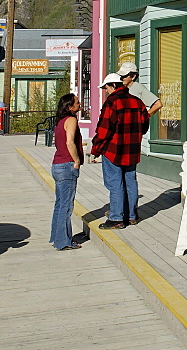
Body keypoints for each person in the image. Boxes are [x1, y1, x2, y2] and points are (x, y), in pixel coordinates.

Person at [92, 73, 150, 230]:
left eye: (106, 88)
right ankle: (131, 216)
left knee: (114, 182)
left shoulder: (112, 102)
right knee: (130, 181)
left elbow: (104, 129)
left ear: (113, 86)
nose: (106, 91)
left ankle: (116, 217)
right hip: (132, 149)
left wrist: (96, 148)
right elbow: (144, 126)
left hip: (114, 149)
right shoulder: (138, 102)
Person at [49, 93, 84, 250]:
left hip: (57, 164)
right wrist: (76, 160)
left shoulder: (59, 122)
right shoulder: (71, 120)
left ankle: (57, 236)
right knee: (66, 205)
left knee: (59, 204)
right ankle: (63, 241)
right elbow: (70, 142)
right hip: (66, 166)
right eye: (77, 102)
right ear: (70, 107)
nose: (79, 104)